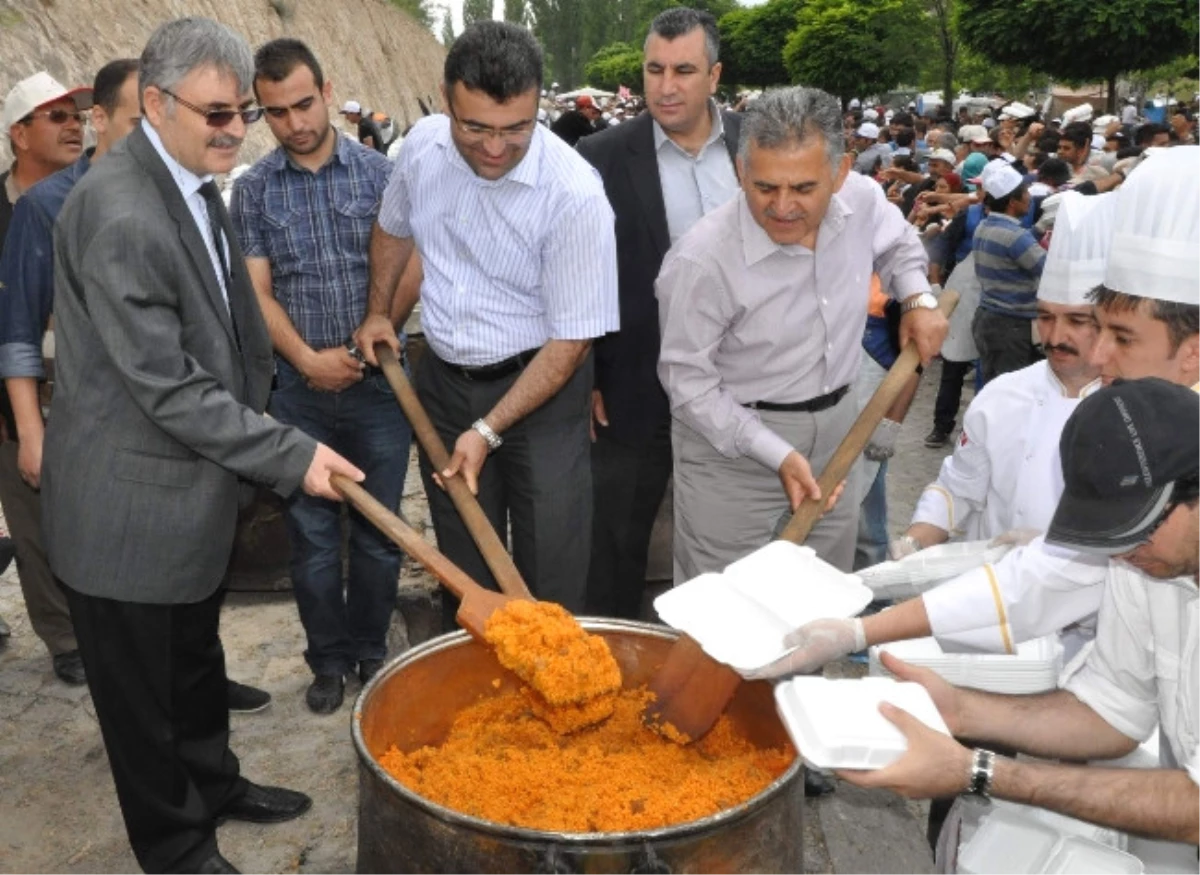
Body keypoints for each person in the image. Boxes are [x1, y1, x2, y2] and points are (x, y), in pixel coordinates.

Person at [42, 18, 364, 874]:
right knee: (142, 706)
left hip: (186, 500)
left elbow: (226, 337)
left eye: (242, 116)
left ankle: (215, 785)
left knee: (192, 666)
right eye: (216, 113)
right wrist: (292, 454)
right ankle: (177, 844)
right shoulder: (119, 211)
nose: (234, 131)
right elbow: (169, 385)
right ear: (154, 102)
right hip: (127, 511)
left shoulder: (190, 178)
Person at [751, 145, 1200, 676]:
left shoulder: (1145, 433)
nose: (1076, 344)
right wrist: (907, 553)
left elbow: (1053, 587)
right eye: (1048, 318)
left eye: (1108, 332)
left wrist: (858, 626)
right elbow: (975, 507)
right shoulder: (1006, 396)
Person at [838, 378, 1200, 848]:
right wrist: (962, 710)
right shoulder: (1141, 560)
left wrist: (979, 771)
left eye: (1137, 532)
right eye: (1108, 536)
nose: (1122, 553)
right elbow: (1113, 709)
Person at [354, 21, 619, 627]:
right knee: (466, 566)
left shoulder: (575, 195)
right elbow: (394, 228)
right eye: (475, 128)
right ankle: (480, 689)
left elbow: (573, 339)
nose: (495, 148)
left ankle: (550, 698)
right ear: (446, 102)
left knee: (549, 568)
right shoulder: (422, 147)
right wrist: (377, 311)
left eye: (515, 130)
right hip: (444, 383)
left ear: (537, 110)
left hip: (542, 391)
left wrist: (490, 429)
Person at [656, 86, 947, 582]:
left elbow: (900, 246)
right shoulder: (700, 260)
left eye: (804, 189)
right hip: (731, 452)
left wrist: (918, 299)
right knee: (722, 618)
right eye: (765, 187)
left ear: (840, 171)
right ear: (741, 171)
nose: (783, 207)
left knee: (816, 601)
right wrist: (778, 453)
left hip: (839, 432)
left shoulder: (862, 200)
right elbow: (688, 383)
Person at [230, 39, 412, 714]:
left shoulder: (380, 175)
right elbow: (256, 292)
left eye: (304, 103)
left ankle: (370, 650)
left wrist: (373, 333)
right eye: (276, 112)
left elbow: (408, 266)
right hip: (299, 395)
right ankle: (328, 661)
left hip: (380, 388)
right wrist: (308, 360)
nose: (295, 122)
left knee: (380, 533)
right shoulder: (251, 191)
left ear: (327, 91)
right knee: (308, 542)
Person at [576, 7, 740, 622]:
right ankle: (605, 667)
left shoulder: (754, 148)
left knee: (733, 544)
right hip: (632, 386)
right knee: (613, 542)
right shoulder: (600, 155)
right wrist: (586, 372)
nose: (666, 86)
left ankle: (722, 668)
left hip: (741, 385)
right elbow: (578, 272)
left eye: (683, 70)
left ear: (714, 75)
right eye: (654, 69)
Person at [0, 70, 93, 683]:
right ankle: (63, 640)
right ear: (18, 134)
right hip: (14, 399)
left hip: (77, 394)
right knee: (31, 529)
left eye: (77, 114)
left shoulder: (86, 198)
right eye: (55, 116)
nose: (73, 124)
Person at [969, 158, 1045, 383]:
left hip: (988, 317)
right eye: (1026, 194)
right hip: (1011, 326)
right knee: (1012, 393)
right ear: (1013, 202)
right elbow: (1046, 269)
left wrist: (1039, 230)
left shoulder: (984, 226)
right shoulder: (1016, 237)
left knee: (994, 387)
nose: (1030, 198)